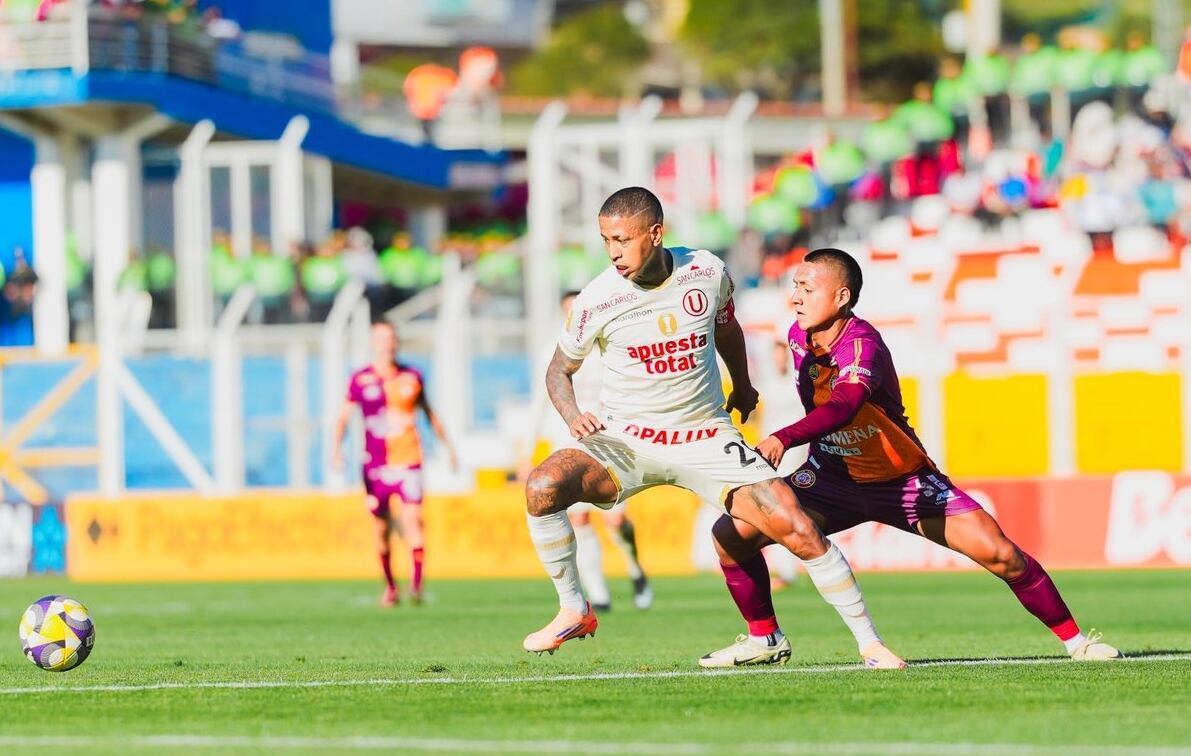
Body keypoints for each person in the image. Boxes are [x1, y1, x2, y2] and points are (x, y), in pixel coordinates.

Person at [521, 187, 904, 669]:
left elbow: (726, 328)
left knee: (795, 524)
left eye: (622, 239)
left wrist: (742, 386)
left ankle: (870, 643)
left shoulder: (705, 270)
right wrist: (573, 415)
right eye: (605, 240)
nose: (613, 251)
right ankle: (574, 609)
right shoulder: (597, 299)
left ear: (656, 233)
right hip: (628, 439)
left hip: (705, 434)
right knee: (543, 485)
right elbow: (558, 370)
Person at [705, 248, 1121, 663]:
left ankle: (1077, 643)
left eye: (807, 288)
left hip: (904, 483)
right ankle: (765, 638)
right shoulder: (799, 338)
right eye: (795, 287)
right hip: (830, 479)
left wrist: (785, 437)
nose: (795, 297)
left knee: (1002, 555)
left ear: (842, 297)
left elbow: (844, 406)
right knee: (729, 535)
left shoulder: (863, 344)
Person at [522, 291, 653, 613]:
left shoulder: (609, 348)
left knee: (616, 520)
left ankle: (635, 569)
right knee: (579, 519)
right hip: (567, 442)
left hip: (610, 443)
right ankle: (599, 592)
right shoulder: (549, 354)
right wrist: (526, 452)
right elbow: (539, 403)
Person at [333, 321, 458, 607]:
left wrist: (449, 448)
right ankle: (390, 587)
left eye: (390, 338)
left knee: (412, 520)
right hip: (375, 465)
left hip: (409, 461)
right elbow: (342, 418)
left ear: (396, 342)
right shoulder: (360, 379)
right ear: (373, 343)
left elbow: (429, 413)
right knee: (382, 530)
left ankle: (415, 585)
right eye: (381, 339)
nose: (387, 344)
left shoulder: (412, 376)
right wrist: (336, 450)